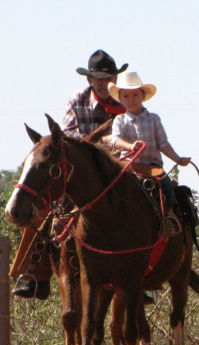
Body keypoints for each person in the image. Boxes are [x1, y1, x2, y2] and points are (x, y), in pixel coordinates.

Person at [11, 49, 128, 299]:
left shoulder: (125, 100)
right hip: (78, 168)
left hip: (113, 170)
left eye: (109, 78)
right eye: (99, 78)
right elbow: (67, 136)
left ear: (116, 79)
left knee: (137, 203)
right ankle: (34, 274)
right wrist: (96, 144)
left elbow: (129, 135)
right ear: (89, 80)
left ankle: (138, 270)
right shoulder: (77, 99)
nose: (105, 83)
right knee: (43, 207)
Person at [108, 71, 192, 235]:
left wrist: (177, 158)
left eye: (135, 95)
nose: (131, 99)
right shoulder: (120, 120)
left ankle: (169, 215)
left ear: (143, 96)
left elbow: (163, 143)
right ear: (120, 99)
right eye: (126, 96)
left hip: (152, 166)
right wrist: (131, 147)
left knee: (165, 182)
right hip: (129, 166)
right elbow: (115, 140)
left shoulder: (154, 119)